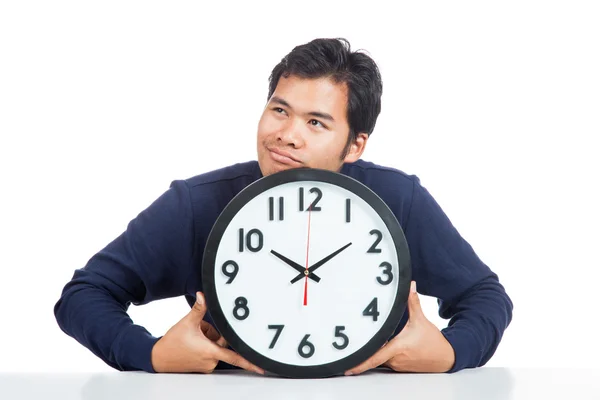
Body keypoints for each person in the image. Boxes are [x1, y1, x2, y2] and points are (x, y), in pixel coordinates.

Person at [54, 38, 513, 376]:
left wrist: (451, 351)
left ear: (355, 145)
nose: (286, 134)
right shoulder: (197, 204)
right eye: (279, 110)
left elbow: (486, 297)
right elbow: (83, 295)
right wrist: (149, 354)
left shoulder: (398, 201)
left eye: (316, 122)